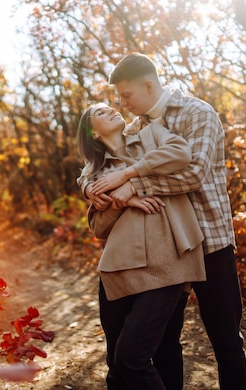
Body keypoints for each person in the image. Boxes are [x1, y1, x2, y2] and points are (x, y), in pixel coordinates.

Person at [82, 53, 246, 390]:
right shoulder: (136, 127)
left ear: (148, 85)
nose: (122, 104)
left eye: (126, 96)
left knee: (226, 341)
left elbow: (195, 174)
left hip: (210, 240)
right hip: (167, 253)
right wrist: (90, 187)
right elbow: (100, 162)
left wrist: (132, 184)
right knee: (163, 347)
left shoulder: (197, 113)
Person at [77, 102, 206, 389]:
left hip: (168, 262)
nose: (111, 109)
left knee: (140, 357)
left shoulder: (151, 134)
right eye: (100, 112)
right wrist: (123, 201)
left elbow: (180, 154)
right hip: (118, 269)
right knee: (116, 365)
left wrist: (130, 178)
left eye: (110, 106)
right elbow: (99, 228)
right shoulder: (96, 173)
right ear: (93, 134)